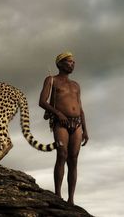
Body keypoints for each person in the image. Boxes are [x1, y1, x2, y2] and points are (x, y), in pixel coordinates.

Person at [39, 51, 89, 205]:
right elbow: (42, 101)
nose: (72, 64)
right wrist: (58, 113)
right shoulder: (51, 80)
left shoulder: (75, 85)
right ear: (59, 64)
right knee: (62, 154)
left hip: (77, 123)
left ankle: (71, 199)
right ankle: (58, 195)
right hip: (60, 123)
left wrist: (85, 130)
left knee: (73, 159)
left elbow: (80, 108)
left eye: (73, 62)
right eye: (69, 61)